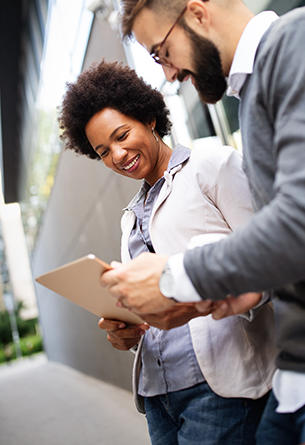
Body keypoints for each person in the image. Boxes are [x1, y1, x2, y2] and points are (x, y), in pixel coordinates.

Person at [99, 0, 305, 444]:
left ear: (197, 13)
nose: (168, 74)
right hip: (301, 373)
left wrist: (179, 277)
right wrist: (239, 289)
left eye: (162, 53)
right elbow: (296, 232)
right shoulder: (254, 96)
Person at [57, 59, 275, 445]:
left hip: (219, 387)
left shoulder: (212, 166)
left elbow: (269, 261)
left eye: (122, 135)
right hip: (157, 394)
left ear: (149, 119)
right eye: (104, 151)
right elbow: (156, 300)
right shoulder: (130, 218)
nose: (119, 155)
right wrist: (128, 330)